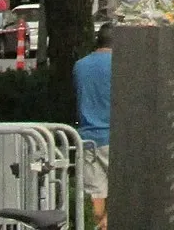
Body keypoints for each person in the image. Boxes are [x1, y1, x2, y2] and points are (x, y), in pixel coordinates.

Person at [73, 23, 113, 230]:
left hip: (88, 139)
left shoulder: (80, 65)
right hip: (115, 138)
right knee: (121, 197)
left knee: (95, 196)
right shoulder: (123, 65)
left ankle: (98, 225)